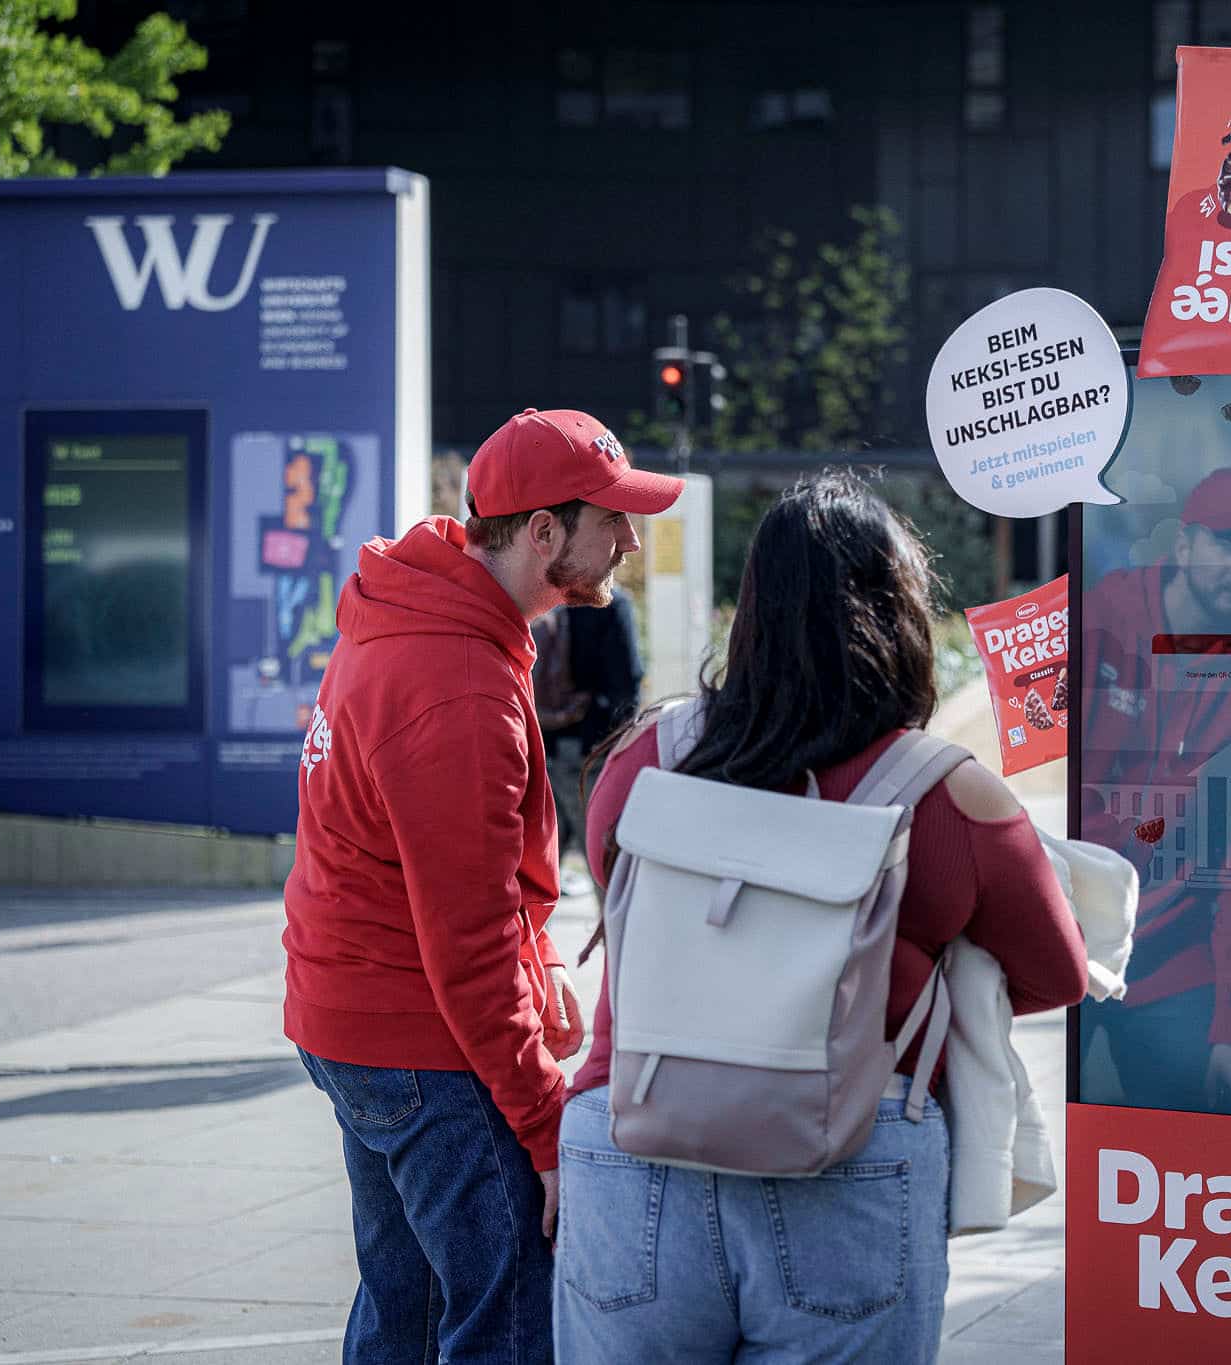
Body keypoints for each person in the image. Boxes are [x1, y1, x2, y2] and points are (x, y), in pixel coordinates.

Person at [554, 471, 1086, 1363]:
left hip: (631, 1138)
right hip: (848, 1152)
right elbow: (1056, 971)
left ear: (753, 610)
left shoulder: (645, 757)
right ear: (901, 611)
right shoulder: (946, 792)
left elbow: (621, 900)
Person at [282, 408, 681, 1364]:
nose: (630, 541)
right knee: (504, 1324)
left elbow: (462, 883)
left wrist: (542, 966)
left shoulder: (418, 606)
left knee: (407, 1313)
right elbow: (466, 945)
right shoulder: (457, 682)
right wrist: (545, 1127)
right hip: (422, 1044)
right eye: (611, 520)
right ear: (542, 531)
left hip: (352, 1017)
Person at [1078, 468, 1231, 1115]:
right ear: (1183, 546)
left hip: (1166, 960)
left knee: (1197, 1139)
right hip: (1058, 932)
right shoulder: (1098, 620)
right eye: (1229, 545)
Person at [532, 587, 643, 896]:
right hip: (591, 752)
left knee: (535, 874)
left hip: (539, 745)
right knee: (607, 873)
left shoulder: (544, 594)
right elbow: (627, 681)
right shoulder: (612, 604)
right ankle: (613, 928)